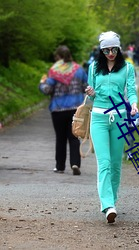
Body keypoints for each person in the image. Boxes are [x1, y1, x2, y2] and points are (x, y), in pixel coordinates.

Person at [85, 31, 138, 223]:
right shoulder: (93, 68)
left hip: (120, 119)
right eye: (106, 50)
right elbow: (91, 96)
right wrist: (90, 92)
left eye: (114, 49)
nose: (110, 53)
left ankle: (112, 202)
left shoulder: (127, 68)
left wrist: (133, 104)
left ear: (119, 48)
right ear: (101, 50)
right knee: (104, 163)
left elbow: (131, 90)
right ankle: (107, 205)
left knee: (116, 164)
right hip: (98, 118)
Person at [39, 45, 88, 175]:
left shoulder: (54, 71)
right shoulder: (79, 70)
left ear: (58, 57)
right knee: (74, 137)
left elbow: (47, 90)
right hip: (75, 109)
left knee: (60, 138)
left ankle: (60, 166)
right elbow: (86, 87)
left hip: (58, 109)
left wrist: (42, 83)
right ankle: (75, 163)